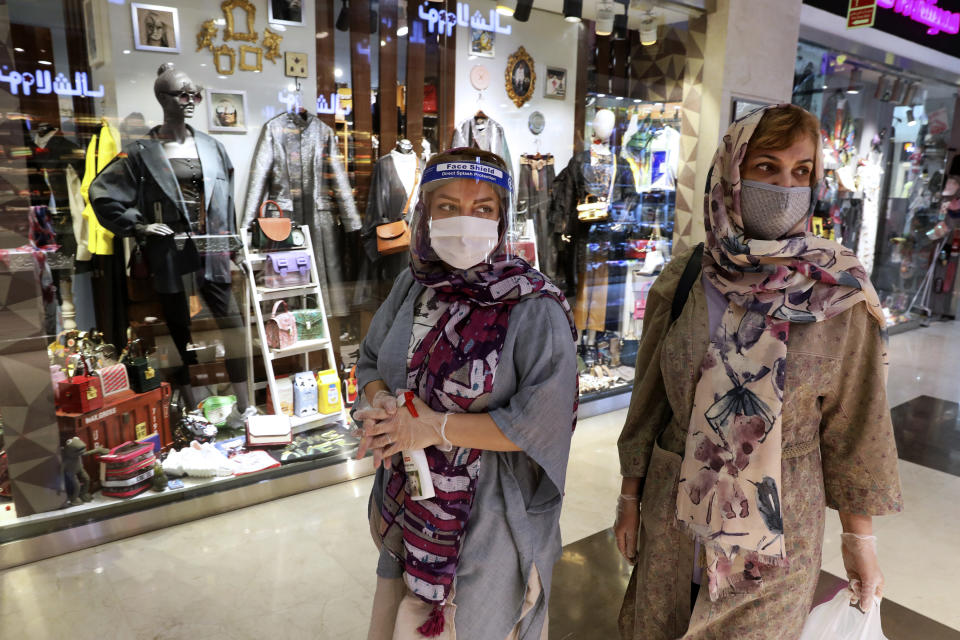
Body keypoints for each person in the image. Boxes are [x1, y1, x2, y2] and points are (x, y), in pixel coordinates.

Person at [614, 104, 903, 639]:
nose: (785, 186)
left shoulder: (838, 292)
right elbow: (649, 401)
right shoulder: (685, 277)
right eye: (766, 166)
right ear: (732, 172)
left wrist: (859, 543)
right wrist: (629, 499)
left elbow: (856, 426)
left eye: (801, 172)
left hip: (780, 527)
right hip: (674, 515)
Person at [354, 147, 578, 639]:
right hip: (409, 504)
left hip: (490, 514)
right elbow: (371, 360)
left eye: (483, 209)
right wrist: (384, 404)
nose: (464, 222)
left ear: (502, 218)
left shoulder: (533, 306)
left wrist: (435, 425)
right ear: (425, 213)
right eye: (448, 206)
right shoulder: (414, 286)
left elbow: (543, 420)